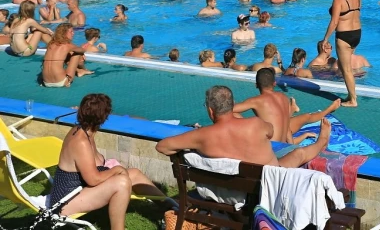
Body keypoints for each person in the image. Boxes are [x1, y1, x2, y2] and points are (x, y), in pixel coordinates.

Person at [50, 94, 170, 230]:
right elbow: (93, 180)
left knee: (134, 174)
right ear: (104, 117)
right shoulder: (81, 141)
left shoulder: (84, 130)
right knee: (121, 183)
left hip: (80, 190)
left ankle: (172, 207)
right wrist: (116, 170)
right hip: (66, 201)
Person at [156, 86, 332, 170]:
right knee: (299, 153)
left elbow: (162, 146)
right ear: (232, 106)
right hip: (268, 181)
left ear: (210, 111)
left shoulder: (201, 136)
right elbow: (270, 131)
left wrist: (194, 151)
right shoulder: (255, 124)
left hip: (229, 190)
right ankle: (322, 141)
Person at [234, 69, 341, 144]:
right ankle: (292, 110)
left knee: (233, 114)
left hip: (270, 148)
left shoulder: (256, 101)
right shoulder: (284, 97)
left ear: (256, 85)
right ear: (274, 83)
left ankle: (292, 110)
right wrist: (299, 139)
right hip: (283, 145)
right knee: (300, 118)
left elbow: (228, 109)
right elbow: (288, 134)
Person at [321, 0, 361, 107]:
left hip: (344, 35)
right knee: (346, 67)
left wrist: (325, 39)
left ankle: (353, 100)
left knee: (346, 69)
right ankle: (351, 94)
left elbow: (334, 22)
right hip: (357, 34)